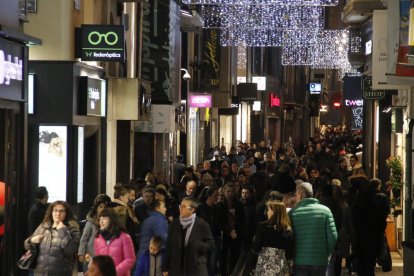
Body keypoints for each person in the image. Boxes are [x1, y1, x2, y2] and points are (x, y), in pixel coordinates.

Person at [289, 182, 338, 275]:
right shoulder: (326, 211)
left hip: (300, 260)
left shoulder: (293, 213)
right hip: (320, 260)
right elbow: (333, 237)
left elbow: (289, 237)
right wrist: (325, 253)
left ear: (300, 194)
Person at [24, 200, 80, 275]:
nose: (58, 214)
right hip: (40, 273)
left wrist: (62, 230)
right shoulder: (44, 226)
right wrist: (32, 240)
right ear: (51, 212)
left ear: (66, 213)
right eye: (55, 210)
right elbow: (26, 245)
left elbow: (71, 249)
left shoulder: (72, 228)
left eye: (61, 211)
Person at [162, 197, 215, 276]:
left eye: (183, 207)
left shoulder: (202, 225)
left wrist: (198, 245)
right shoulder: (174, 224)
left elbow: (211, 245)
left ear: (192, 210)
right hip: (177, 268)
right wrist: (165, 267)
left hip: (196, 268)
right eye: (180, 206)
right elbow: (169, 246)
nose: (180, 209)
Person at [253, 200, 294, 276]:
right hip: (281, 267)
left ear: (274, 212)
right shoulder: (288, 231)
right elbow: (289, 253)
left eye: (268, 210)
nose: (267, 212)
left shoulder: (262, 227)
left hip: (264, 266)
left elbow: (256, 247)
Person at [94, 208, 136, 276]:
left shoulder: (124, 237)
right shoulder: (97, 239)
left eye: (104, 218)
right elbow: (99, 261)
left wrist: (114, 272)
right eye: (100, 219)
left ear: (111, 219)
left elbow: (130, 259)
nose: (101, 221)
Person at [78, 194, 112, 269]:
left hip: (103, 257)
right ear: (96, 208)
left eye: (104, 207)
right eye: (100, 207)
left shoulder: (109, 222)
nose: (103, 209)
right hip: (90, 257)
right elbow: (84, 239)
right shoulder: (90, 223)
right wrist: (81, 254)